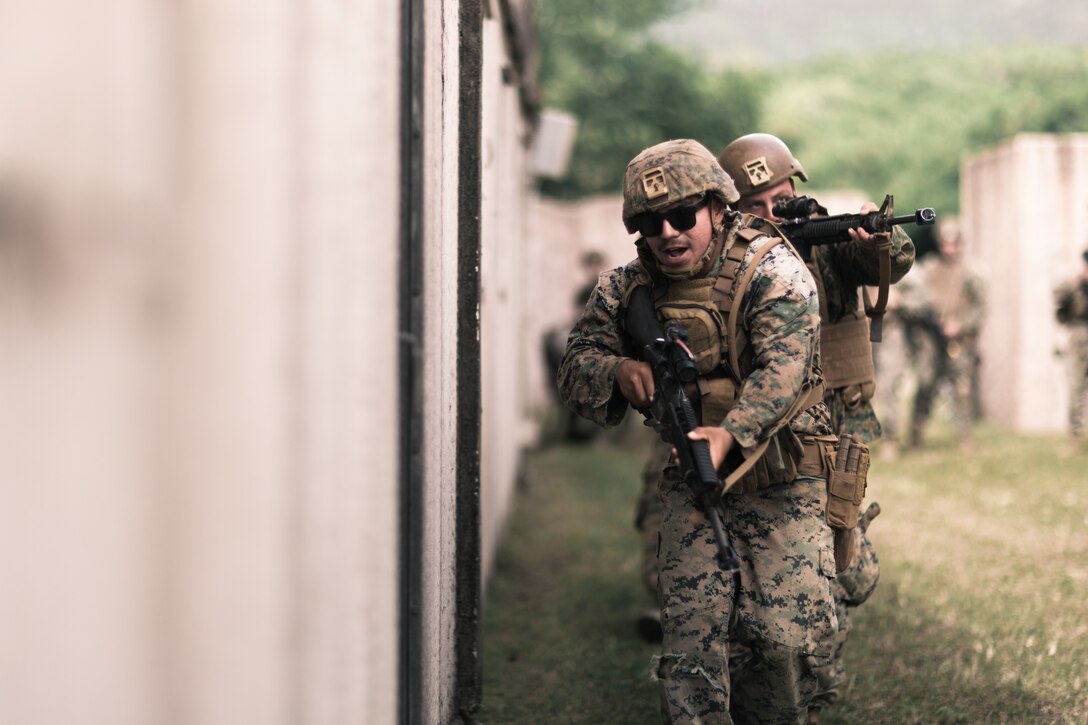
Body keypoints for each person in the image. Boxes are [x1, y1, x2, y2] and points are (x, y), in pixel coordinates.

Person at [559, 138, 840, 723]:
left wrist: (729, 432)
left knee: (783, 644)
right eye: (651, 222)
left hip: (781, 476)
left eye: (683, 215)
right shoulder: (628, 287)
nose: (668, 232)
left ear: (718, 208)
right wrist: (620, 371)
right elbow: (576, 365)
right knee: (693, 649)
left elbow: (785, 370)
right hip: (693, 480)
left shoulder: (774, 268)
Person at [718, 133, 915, 724]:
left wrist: (877, 236)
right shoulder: (727, 264)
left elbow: (894, 256)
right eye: (756, 207)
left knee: (841, 565)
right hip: (762, 441)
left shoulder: (823, 244)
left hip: (831, 436)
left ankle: (813, 683)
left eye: (781, 199)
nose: (774, 215)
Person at [907, 217, 985, 450]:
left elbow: (980, 306)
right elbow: (917, 298)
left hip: (958, 339)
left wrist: (960, 324)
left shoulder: (971, 271)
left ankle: (964, 437)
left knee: (962, 388)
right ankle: (915, 435)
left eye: (953, 243)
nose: (949, 248)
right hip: (931, 336)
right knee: (925, 383)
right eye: (945, 243)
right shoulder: (929, 268)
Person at [1053, 248, 1088, 453]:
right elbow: (1058, 297)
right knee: (1075, 387)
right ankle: (1074, 438)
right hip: (1077, 337)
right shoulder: (1074, 285)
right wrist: (1077, 285)